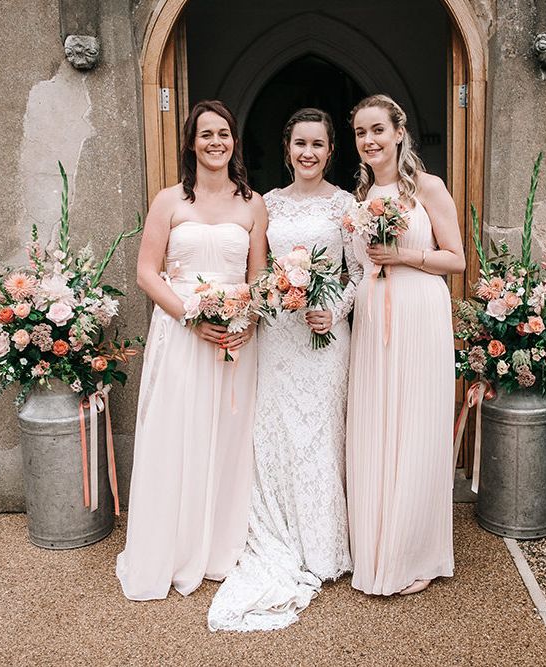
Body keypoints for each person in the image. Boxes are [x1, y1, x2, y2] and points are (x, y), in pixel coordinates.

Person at [208, 108, 360, 631]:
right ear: (287, 146)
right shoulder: (267, 204)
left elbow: (360, 271)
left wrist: (335, 309)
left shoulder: (346, 204)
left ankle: (322, 546)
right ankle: (280, 536)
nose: (308, 153)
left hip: (324, 337)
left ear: (331, 150)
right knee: (276, 434)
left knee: (319, 437)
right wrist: (259, 304)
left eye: (318, 144)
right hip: (277, 340)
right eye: (300, 143)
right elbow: (259, 272)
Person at [116, 100, 268, 600]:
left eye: (224, 133)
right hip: (181, 334)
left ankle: (219, 544)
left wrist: (244, 320)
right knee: (176, 433)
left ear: (234, 142)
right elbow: (145, 272)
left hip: (232, 342)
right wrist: (191, 315)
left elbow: (258, 280)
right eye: (206, 135)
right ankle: (175, 545)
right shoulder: (168, 201)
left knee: (227, 436)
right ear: (191, 143)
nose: (216, 142)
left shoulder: (253, 204)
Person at [346, 94, 465, 596]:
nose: (369, 141)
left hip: (419, 312)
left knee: (416, 422)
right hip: (373, 318)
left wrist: (404, 255)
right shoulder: (359, 200)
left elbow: (456, 260)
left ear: (399, 132)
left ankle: (413, 550)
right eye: (360, 133)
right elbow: (358, 267)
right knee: (375, 421)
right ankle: (375, 546)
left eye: (377, 130)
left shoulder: (429, 189)